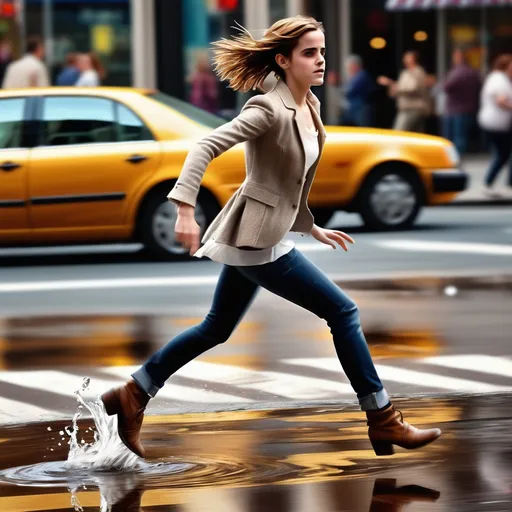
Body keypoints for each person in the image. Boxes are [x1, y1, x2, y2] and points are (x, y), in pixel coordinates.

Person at [101, 15, 441, 459]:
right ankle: (383, 419)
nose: (320, 60)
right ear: (283, 60)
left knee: (216, 327)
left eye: (321, 51)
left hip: (266, 232)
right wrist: (185, 209)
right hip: (259, 242)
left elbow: (287, 178)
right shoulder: (267, 108)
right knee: (343, 312)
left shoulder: (309, 104)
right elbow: (204, 146)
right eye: (309, 53)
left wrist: (309, 224)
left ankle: (133, 394)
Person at [478, 54, 512, 196]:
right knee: (503, 154)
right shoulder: (498, 79)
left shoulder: (500, 78)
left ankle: (493, 183)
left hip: (499, 123)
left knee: (504, 153)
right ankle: (488, 183)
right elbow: (501, 101)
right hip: (496, 123)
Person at [378, 51, 430, 133]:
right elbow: (399, 88)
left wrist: (390, 83)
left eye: (407, 58)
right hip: (406, 108)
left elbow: (412, 88)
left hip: (413, 109)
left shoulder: (418, 72)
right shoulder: (405, 72)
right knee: (414, 135)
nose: (404, 60)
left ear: (413, 59)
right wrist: (393, 89)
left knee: (398, 133)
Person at [442, 48, 481, 155]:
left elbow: (446, 86)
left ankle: (453, 159)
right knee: (461, 137)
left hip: (456, 109)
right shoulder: (473, 72)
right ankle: (456, 157)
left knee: (456, 138)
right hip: (467, 108)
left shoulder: (458, 72)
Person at [341, 54, 375, 127]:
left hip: (361, 109)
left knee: (363, 130)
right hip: (353, 109)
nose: (348, 69)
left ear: (355, 65)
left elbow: (349, 91)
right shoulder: (353, 76)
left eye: (350, 66)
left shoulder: (362, 75)